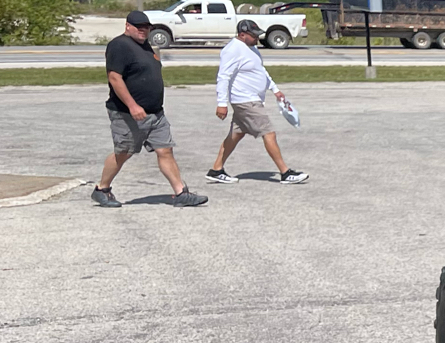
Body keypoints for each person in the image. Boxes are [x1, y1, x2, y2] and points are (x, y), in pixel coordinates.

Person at [93, 11, 206, 208]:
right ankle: (102, 189)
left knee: (165, 150)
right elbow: (114, 77)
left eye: (146, 27)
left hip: (155, 113)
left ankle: (181, 193)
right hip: (128, 113)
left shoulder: (145, 45)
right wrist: (132, 105)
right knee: (124, 152)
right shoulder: (119, 45)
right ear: (127, 26)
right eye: (139, 26)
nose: (143, 30)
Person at [206, 19, 308, 185]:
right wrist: (222, 103)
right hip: (245, 100)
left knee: (235, 135)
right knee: (269, 133)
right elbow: (223, 77)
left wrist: (275, 90)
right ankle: (285, 172)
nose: (257, 39)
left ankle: (216, 170)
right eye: (254, 35)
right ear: (242, 34)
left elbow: (261, 70)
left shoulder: (251, 48)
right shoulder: (232, 50)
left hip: (252, 99)